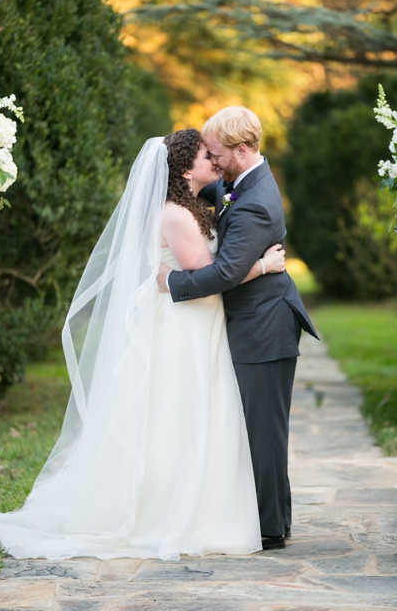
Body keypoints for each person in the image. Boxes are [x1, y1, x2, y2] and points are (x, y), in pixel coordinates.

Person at [0, 130, 286, 560]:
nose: (215, 161)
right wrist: (264, 265)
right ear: (186, 168)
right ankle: (167, 514)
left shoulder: (195, 204)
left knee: (189, 414)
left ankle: (199, 505)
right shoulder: (176, 214)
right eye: (207, 156)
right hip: (184, 325)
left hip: (193, 322)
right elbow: (211, 281)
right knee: (178, 415)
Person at [158, 107, 319, 550]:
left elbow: (227, 273)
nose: (211, 160)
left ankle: (270, 530)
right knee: (259, 427)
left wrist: (172, 282)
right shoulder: (236, 183)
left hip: (264, 326)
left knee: (264, 431)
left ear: (242, 150)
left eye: (216, 152)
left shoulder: (256, 202)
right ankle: (274, 520)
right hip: (252, 321)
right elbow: (197, 197)